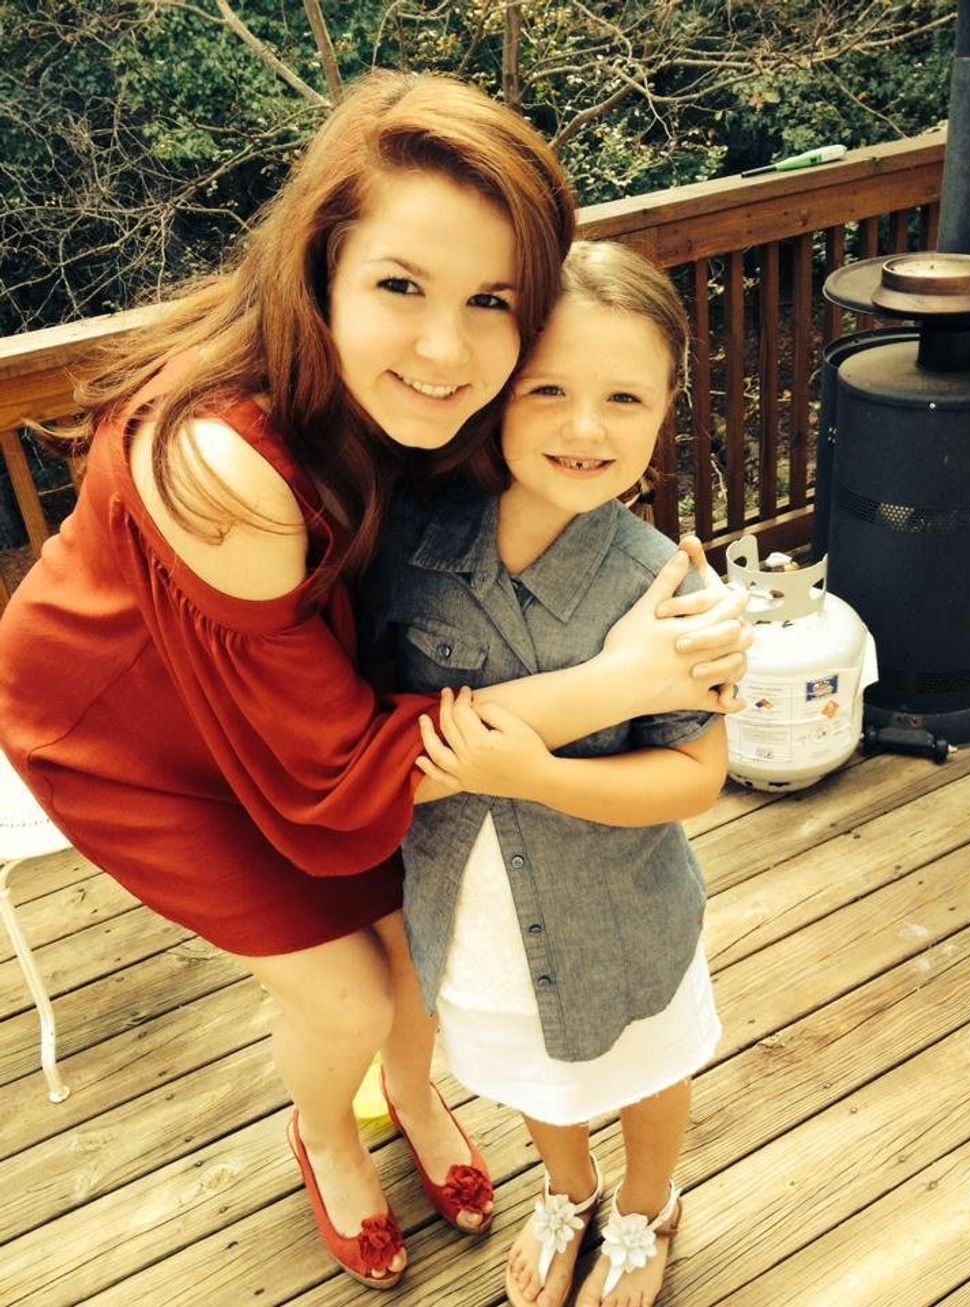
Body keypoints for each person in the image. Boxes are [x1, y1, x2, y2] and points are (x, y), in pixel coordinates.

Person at [0, 74, 748, 1294]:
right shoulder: (224, 459)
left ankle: (414, 1092)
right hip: (134, 730)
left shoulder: (428, 410)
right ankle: (330, 1135)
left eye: (491, 300)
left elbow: (552, 541)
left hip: (314, 699)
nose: (446, 348)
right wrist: (622, 679)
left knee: (409, 942)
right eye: (400, 284)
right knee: (345, 987)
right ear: (320, 269)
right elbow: (339, 772)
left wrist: (691, 616)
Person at [361, 239, 727, 1307]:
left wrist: (540, 775)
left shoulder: (661, 585)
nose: (584, 428)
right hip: (467, 911)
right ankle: (567, 1188)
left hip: (622, 909)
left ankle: (647, 1202)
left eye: (623, 398)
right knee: (528, 1065)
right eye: (549, 390)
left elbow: (695, 773)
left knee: (647, 1063)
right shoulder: (410, 546)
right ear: (496, 392)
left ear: (665, 408)